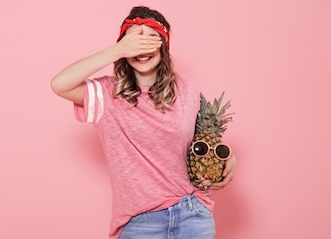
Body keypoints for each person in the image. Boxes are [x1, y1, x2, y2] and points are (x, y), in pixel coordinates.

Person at [50, 6, 236, 239]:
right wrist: (116, 50)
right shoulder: (107, 94)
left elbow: (203, 140)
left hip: (193, 215)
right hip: (141, 223)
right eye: (134, 39)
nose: (142, 45)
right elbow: (60, 84)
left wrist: (227, 158)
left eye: (151, 37)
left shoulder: (186, 88)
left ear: (163, 46)